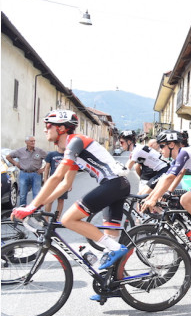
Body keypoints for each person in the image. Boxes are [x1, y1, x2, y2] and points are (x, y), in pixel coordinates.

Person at [12, 110, 130, 301]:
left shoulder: (75, 141)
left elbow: (56, 176)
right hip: (116, 186)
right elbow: (65, 184)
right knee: (110, 241)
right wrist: (40, 205)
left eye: (48, 126)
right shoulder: (72, 149)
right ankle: (113, 286)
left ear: (60, 128)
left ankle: (116, 250)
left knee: (68, 219)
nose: (44, 130)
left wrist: (31, 206)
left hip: (114, 184)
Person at [6, 136, 47, 206]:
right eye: (31, 141)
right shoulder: (20, 151)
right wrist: (16, 163)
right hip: (24, 174)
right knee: (22, 194)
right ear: (26, 142)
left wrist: (43, 169)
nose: (33, 142)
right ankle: (23, 209)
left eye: (34, 141)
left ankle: (35, 209)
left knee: (36, 194)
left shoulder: (40, 151)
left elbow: (49, 159)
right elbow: (8, 157)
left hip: (36, 174)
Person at [43, 144, 70, 215]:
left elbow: (70, 170)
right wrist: (45, 181)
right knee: (50, 200)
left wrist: (70, 183)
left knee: (61, 200)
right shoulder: (51, 154)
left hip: (63, 181)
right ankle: (46, 218)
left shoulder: (68, 156)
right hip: (53, 181)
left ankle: (57, 218)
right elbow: (47, 168)